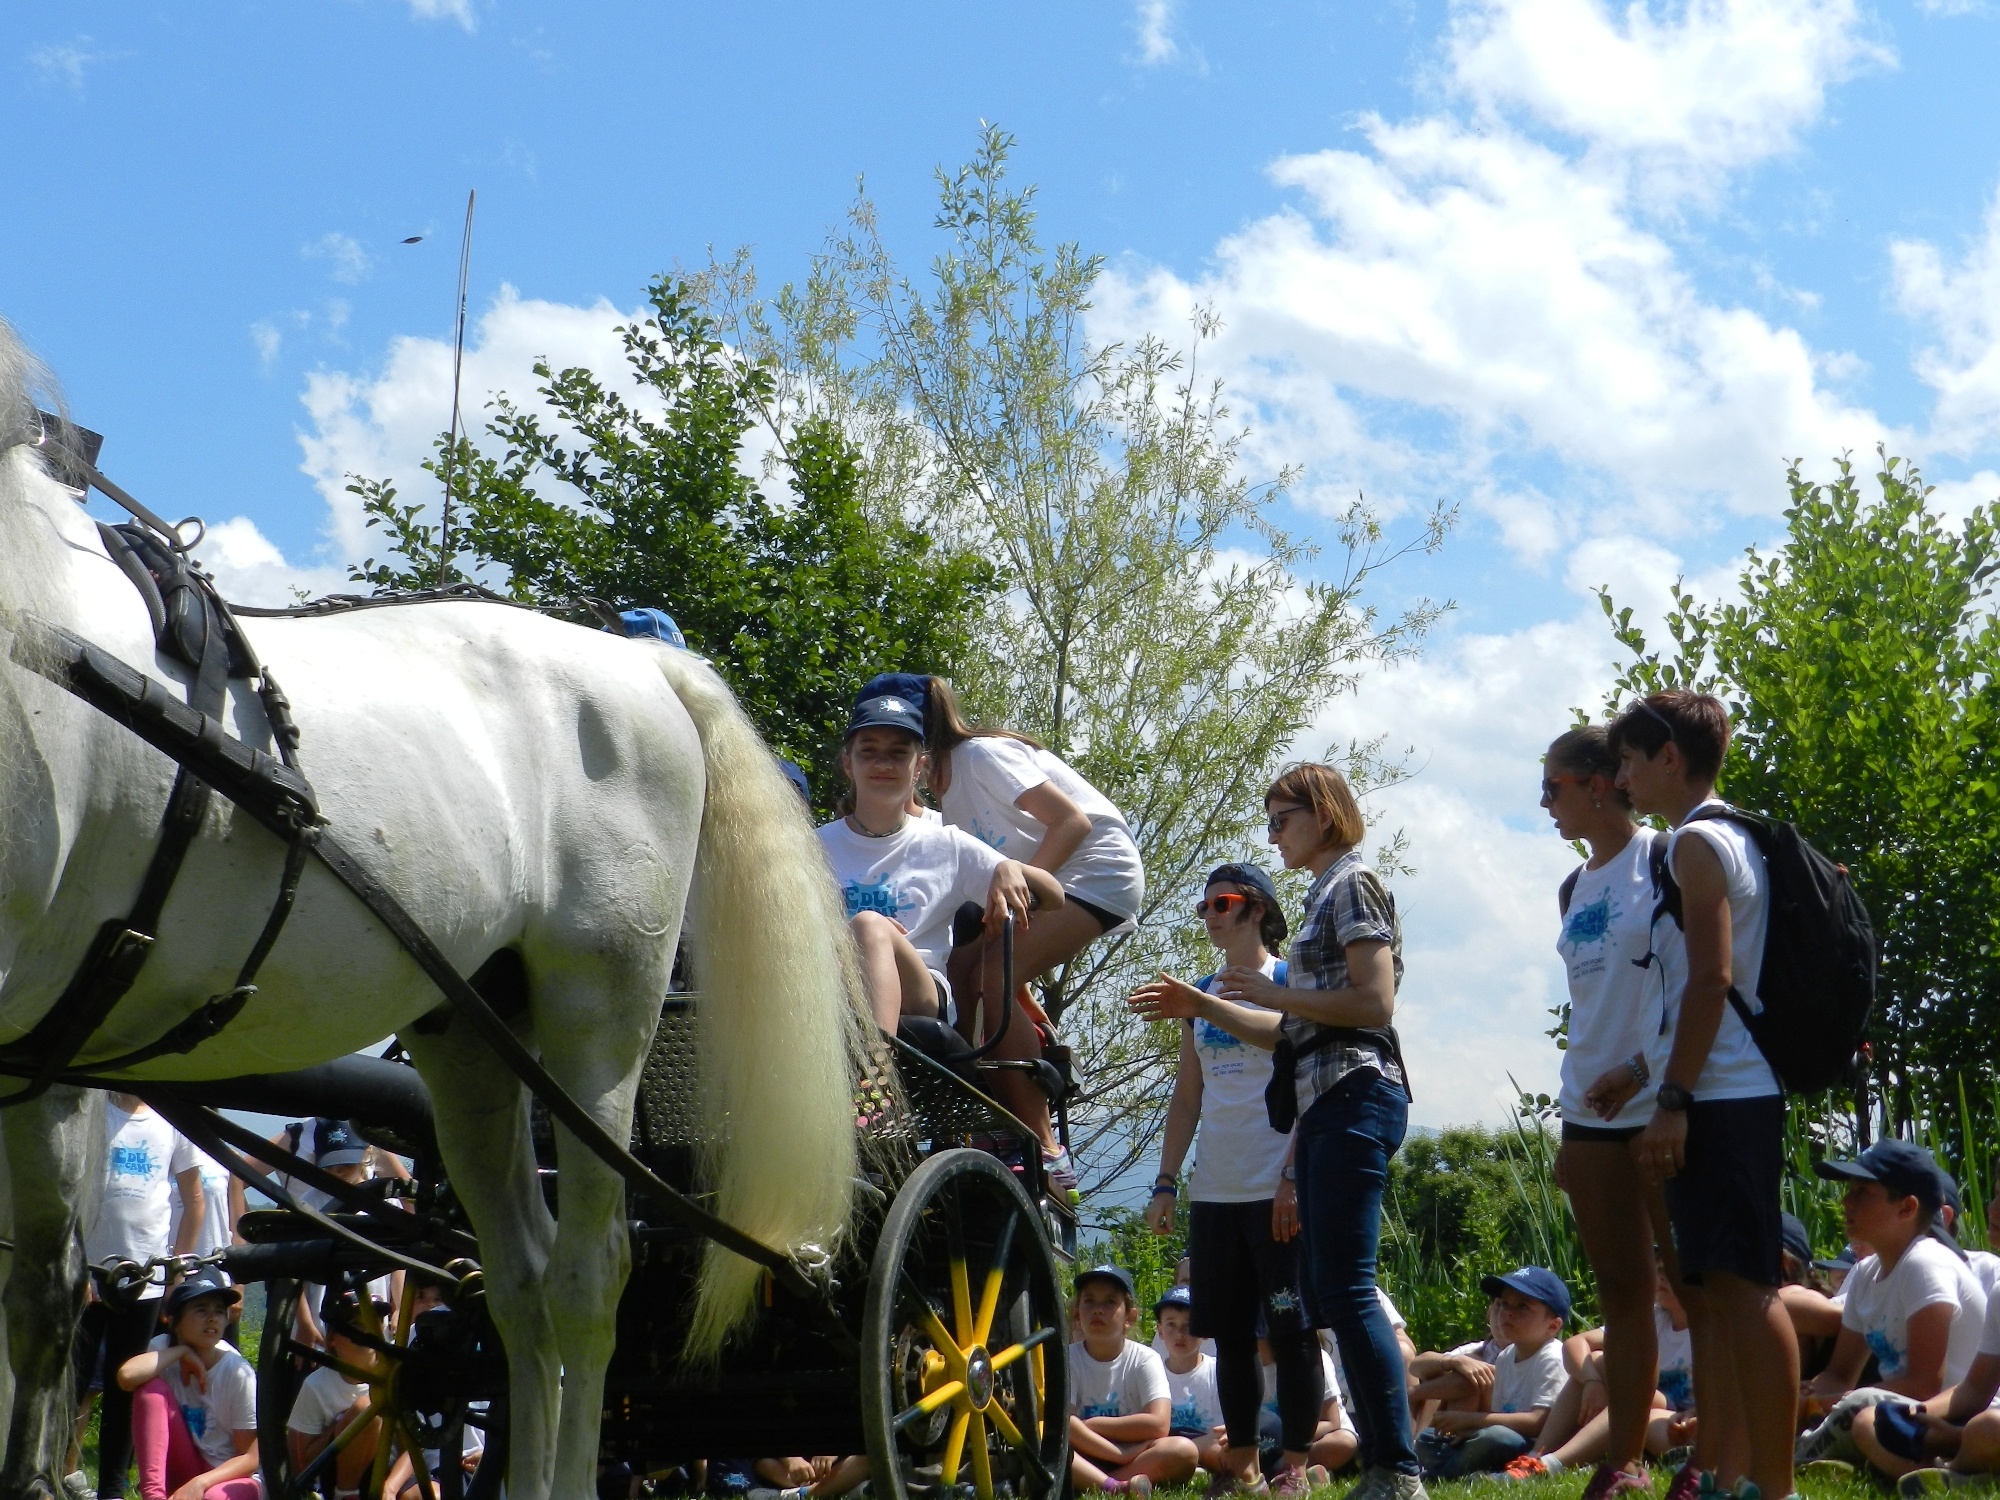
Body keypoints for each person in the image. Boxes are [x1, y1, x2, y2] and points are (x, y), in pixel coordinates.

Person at [1134, 762, 1423, 1500]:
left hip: (1323, 1125)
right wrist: (1168, 1180)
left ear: (1323, 814)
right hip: (1255, 1158)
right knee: (1267, 1317)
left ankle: (1371, 1466)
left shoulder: (1347, 887)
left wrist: (1257, 999)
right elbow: (1192, 1095)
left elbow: (1367, 1005)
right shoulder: (1326, 895)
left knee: (1331, 1303)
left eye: (1282, 817)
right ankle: (1279, 1468)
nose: (1273, 832)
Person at [1609, 690, 1801, 1500]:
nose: (1621, 776)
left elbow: (1713, 978)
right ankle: (1734, 1475)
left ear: (1669, 759)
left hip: (1723, 1095)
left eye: (1628, 760)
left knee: (1747, 1290)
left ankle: (1777, 1486)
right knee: (1719, 1293)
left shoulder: (1696, 844)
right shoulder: (1728, 836)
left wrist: (1674, 1099)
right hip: (1714, 1087)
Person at [1128, 862, 1323, 1498]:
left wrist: (1295, 1176)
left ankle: (1294, 1464)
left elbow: (1289, 1047)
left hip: (1279, 1187)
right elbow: (1188, 1096)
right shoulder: (1202, 996)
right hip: (1215, 1189)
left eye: (1224, 901)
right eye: (1204, 904)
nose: (1210, 914)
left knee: (1292, 1334)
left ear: (1259, 909)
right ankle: (1242, 1465)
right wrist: (1164, 1183)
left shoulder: (1291, 982)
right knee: (1232, 1337)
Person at [1536, 722, 1689, 1500]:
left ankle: (1720, 1451)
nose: (1544, 802)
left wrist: (1643, 1075)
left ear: (1601, 783)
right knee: (1625, 1295)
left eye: (1553, 786)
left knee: (1696, 1287)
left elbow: (1698, 987)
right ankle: (1622, 1463)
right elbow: (1589, 1005)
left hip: (1658, 1099)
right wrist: (1572, 1117)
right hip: (1587, 1116)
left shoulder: (1663, 859)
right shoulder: (1574, 886)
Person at [909, 673, 1144, 1171]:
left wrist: (1018, 901)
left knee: (995, 976)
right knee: (960, 971)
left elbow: (1072, 822)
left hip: (1097, 871)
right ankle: (983, 1115)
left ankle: (1042, 1145)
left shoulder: (978, 756)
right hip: (1058, 875)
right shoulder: (947, 794)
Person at [816, 693, 1061, 1037]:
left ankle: (874, 1072)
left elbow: (1054, 896)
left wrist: (1011, 869)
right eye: (868, 750)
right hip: (830, 987)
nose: (883, 763)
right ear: (848, 763)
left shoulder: (947, 844)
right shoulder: (811, 848)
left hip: (921, 995)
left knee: (870, 926)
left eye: (899, 753)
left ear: (919, 767)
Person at [1795, 1142, 1988, 1474]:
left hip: (1951, 1415)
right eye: (1849, 1190)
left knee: (1863, 1415)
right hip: (1900, 1409)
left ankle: (1805, 1455)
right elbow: (1841, 1372)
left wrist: (1841, 1398)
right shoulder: (1867, 1273)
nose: (1846, 1201)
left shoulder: (1925, 1263)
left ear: (1907, 1208)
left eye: (1863, 1192)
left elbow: (1925, 1384)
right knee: (1801, 1400)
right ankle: (1835, 1453)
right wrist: (1814, 1393)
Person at [76, 1092, 205, 1500]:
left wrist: (175, 1275)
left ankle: (111, 1490)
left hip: (145, 1278)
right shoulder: (95, 1109)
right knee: (70, 1385)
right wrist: (75, 1267)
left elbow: (194, 1198)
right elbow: (69, 1191)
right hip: (89, 1276)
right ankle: (46, 1474)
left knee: (124, 1389)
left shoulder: (173, 1115)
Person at [1506, 1261, 1696, 1479]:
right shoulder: (1653, 1317)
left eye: (1670, 1270)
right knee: (1597, 1362)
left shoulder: (1708, 1327)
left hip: (1681, 1426)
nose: (1661, 1277)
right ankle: (1536, 1455)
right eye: (1658, 1269)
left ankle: (1551, 1465)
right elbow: (1576, 1343)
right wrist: (1591, 1381)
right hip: (1650, 1413)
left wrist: (1695, 1414)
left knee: (1641, 1397)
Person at [114, 1266, 259, 1500]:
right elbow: (126, 1377)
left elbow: (250, 1457)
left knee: (212, 1498)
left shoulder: (238, 1372)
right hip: (186, 1465)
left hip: (227, 1478)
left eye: (220, 1311)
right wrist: (181, 1351)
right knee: (150, 1391)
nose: (212, 1318)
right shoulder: (162, 1349)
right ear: (174, 1322)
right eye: (201, 1310)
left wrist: (200, 1483)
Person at [1416, 1268, 1569, 1479]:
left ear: (1552, 1326)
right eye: (1504, 1303)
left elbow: (1537, 1423)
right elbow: (1500, 1414)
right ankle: (1463, 1468)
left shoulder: (1552, 1357)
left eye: (1523, 1306)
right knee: (1427, 1440)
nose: (1507, 1312)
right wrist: (1468, 1430)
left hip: (1531, 1445)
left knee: (1498, 1438)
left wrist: (1470, 1420)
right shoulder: (1506, 1356)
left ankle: (1438, 1474)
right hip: (1501, 1435)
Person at [1068, 1265, 1200, 1495]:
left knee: (1183, 1450)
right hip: (1082, 1454)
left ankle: (1104, 1483)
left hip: (1134, 1456)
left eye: (1109, 1302)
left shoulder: (1145, 1358)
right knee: (1043, 1441)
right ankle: (1113, 1487)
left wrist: (1092, 1425)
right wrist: (1117, 1453)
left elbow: (1159, 1424)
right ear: (1077, 1314)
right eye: (1089, 1301)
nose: (1098, 1310)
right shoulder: (1068, 1357)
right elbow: (1065, 1425)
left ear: (1130, 1317)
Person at [288, 1289, 391, 1496]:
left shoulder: (394, 1377)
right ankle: (346, 1493)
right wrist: (342, 1427)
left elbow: (413, 1447)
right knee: (366, 1409)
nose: (367, 1333)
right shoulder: (317, 1385)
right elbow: (300, 1460)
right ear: (333, 1339)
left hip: (386, 1475)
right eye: (356, 1325)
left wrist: (391, 1487)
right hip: (330, 1479)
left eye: (374, 1323)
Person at [1154, 1287, 1231, 1480]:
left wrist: (1192, 1448)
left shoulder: (1218, 1371)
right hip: (1164, 1448)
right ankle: (1188, 1467)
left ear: (1205, 1331)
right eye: (1171, 1324)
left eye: (1189, 1325)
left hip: (1209, 1445)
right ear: (1160, 1330)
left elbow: (1225, 1429)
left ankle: (1189, 1465)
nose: (1180, 1334)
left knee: (1231, 1451)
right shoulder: (1150, 1371)